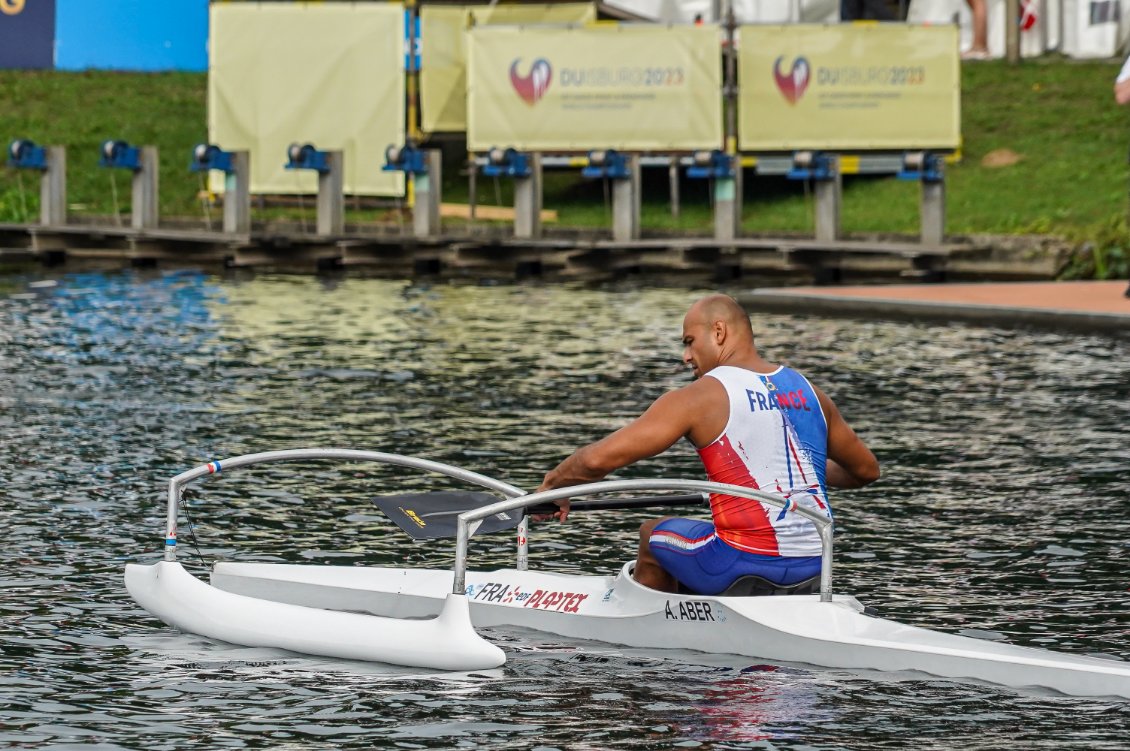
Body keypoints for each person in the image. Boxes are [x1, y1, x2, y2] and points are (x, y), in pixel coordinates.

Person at [535, 294, 880, 594]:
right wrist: (810, 471)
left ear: (718, 332)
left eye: (689, 341)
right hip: (816, 564)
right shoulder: (809, 391)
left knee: (652, 535)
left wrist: (554, 486)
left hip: (741, 562)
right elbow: (865, 470)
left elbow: (596, 462)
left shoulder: (700, 397)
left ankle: (650, 649)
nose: (686, 356)